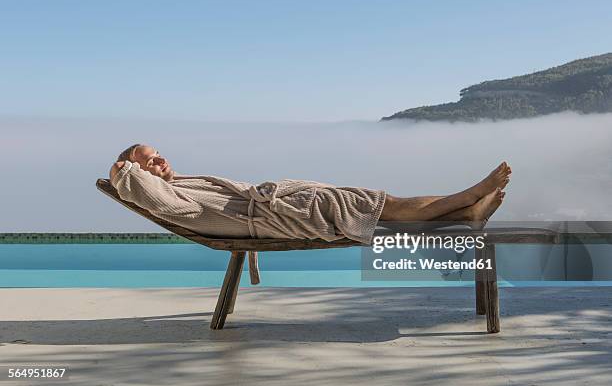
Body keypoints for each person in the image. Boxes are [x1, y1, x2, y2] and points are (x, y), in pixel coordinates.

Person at [109, 144, 510, 244]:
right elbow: (148, 194)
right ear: (138, 174)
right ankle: (467, 197)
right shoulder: (169, 196)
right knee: (386, 206)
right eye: (150, 160)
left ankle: (467, 214)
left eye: (160, 154)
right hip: (281, 215)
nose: (160, 160)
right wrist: (124, 168)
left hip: (283, 206)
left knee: (382, 207)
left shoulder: (181, 184)